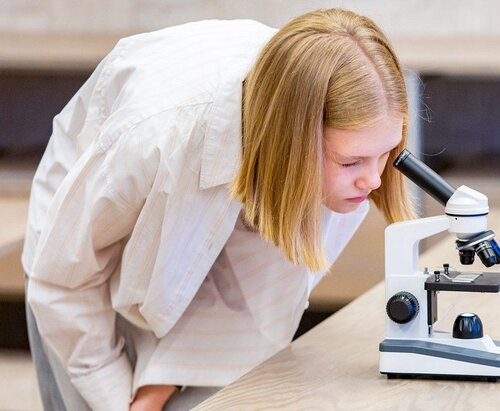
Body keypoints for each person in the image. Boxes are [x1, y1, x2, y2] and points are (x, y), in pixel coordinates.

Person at [22, 8, 414, 410]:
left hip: (174, 262)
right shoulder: (155, 137)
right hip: (77, 274)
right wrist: (116, 395)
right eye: (350, 162)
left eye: (385, 154)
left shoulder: (342, 150)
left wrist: (161, 384)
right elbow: (64, 282)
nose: (373, 180)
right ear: (293, 142)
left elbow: (253, 295)